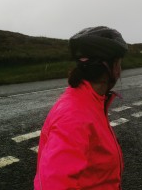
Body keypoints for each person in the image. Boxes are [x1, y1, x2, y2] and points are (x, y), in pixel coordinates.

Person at [34, 26, 128, 190]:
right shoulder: (74, 116)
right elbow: (52, 184)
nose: (120, 71)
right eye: (119, 63)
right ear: (109, 68)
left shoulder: (91, 101)